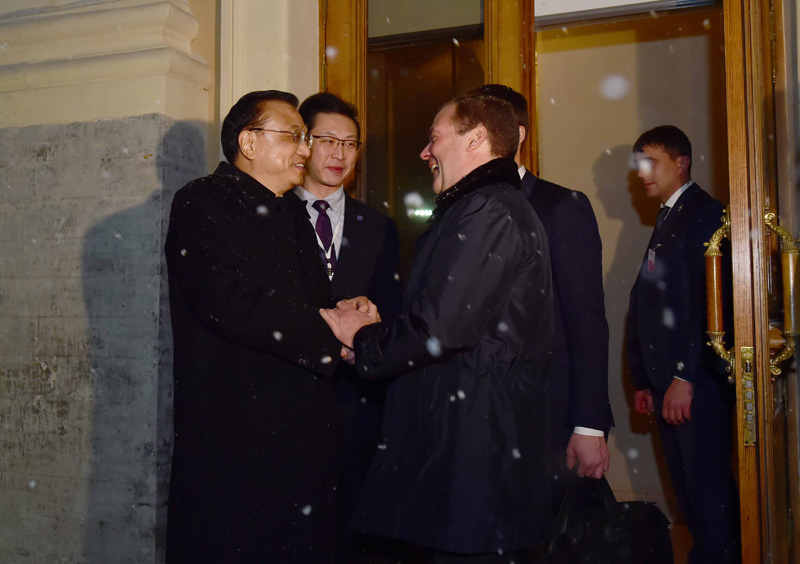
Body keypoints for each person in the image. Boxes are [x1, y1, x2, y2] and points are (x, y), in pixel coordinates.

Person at [321, 94, 554, 563]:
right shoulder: (481, 206)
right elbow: (454, 320)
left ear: (476, 139)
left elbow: (443, 327)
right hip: (470, 434)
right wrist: (374, 335)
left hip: (476, 445)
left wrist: (362, 337)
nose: (425, 152)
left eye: (435, 138)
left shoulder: (488, 209)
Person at [164, 90, 368, 562]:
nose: (305, 149)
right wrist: (333, 328)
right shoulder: (202, 201)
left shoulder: (292, 210)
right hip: (235, 431)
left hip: (303, 433)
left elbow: (309, 303)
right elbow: (232, 302)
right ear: (248, 142)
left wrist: (346, 312)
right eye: (294, 135)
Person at [471, 84, 613, 506]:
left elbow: (587, 319)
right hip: (481, 407)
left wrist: (589, 424)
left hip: (549, 407)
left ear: (516, 134)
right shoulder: (463, 209)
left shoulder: (560, 206)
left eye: (481, 132)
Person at [294, 92, 403, 561]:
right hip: (291, 394)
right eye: (327, 140)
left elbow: (393, 311)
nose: (339, 153)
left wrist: (369, 318)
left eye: (350, 143)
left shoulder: (378, 226)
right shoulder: (273, 215)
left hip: (357, 400)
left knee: (351, 530)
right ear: (303, 143)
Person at [627, 125, 739, 563]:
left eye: (651, 163)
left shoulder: (705, 214)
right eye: (639, 164)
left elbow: (710, 305)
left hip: (695, 385)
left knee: (707, 493)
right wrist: (643, 378)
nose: (642, 173)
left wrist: (684, 377)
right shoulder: (670, 215)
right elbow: (647, 303)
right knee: (691, 495)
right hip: (667, 383)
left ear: (681, 163)